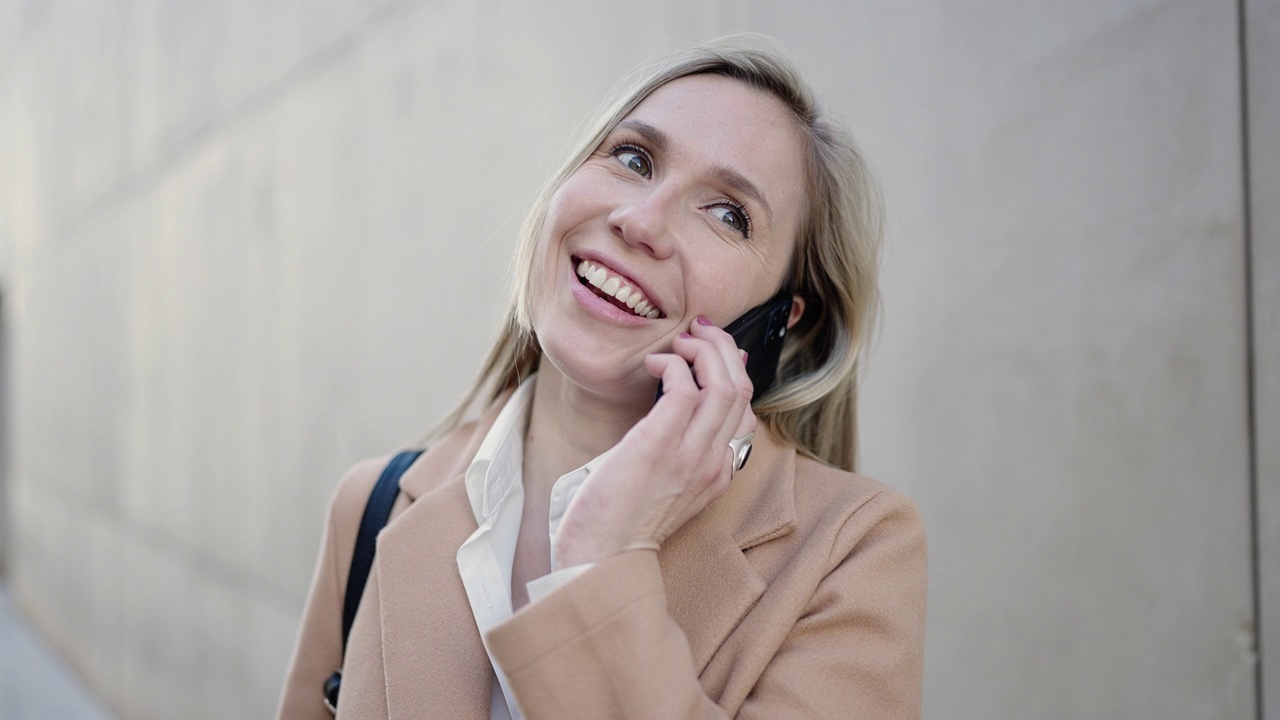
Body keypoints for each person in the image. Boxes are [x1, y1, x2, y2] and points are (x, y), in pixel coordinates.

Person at [277, 34, 926, 720]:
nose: (640, 221)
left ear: (779, 320)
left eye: (728, 213)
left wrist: (602, 563)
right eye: (633, 158)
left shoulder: (853, 552)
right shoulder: (373, 505)